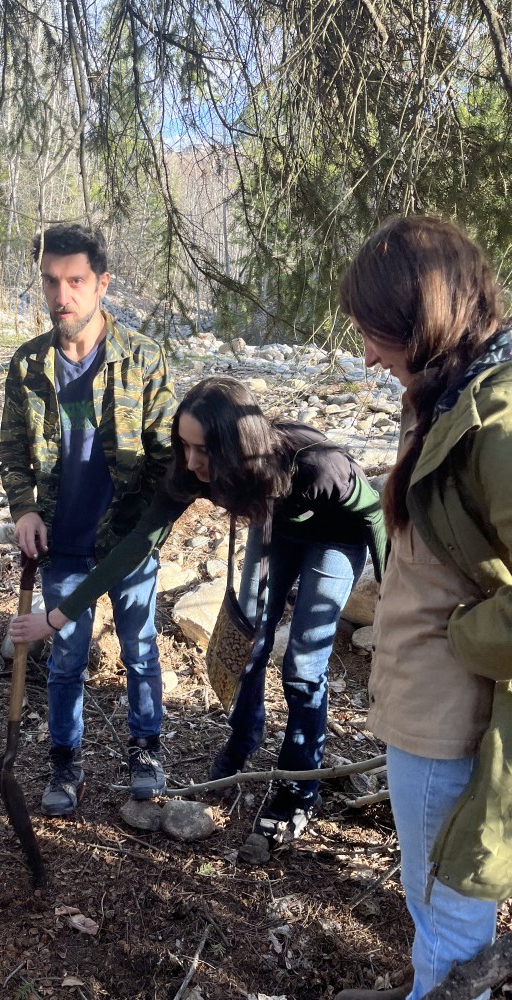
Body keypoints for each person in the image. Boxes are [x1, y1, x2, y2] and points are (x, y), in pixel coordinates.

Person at [11, 375, 386, 847]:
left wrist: (390, 598)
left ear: (235, 443)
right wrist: (60, 615)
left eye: (203, 449)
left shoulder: (316, 465)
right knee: (247, 632)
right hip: (274, 524)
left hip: (335, 533)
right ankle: (243, 739)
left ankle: (297, 790)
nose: (191, 462)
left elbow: (372, 513)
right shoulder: (191, 470)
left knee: (303, 667)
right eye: (184, 446)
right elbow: (136, 545)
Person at [336, 215, 512, 1000]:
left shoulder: (496, 423)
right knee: (432, 905)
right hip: (422, 711)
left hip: (454, 721)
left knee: (451, 918)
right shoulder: (444, 394)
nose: (368, 356)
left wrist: (465, 637)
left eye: (379, 335)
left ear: (428, 319)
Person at [0, 224, 176, 816]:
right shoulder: (28, 366)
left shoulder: (144, 360)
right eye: (51, 281)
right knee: (67, 657)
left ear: (102, 284)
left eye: (75, 281)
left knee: (140, 650)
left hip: (126, 545)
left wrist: (146, 536)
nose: (61, 295)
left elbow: (166, 461)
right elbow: (11, 451)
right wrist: (23, 508)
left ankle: (146, 750)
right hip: (63, 545)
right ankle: (64, 761)